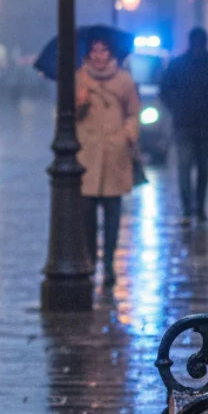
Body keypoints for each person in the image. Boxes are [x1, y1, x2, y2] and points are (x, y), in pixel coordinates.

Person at [75, 36, 141, 287]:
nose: (99, 56)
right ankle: (90, 260)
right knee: (87, 214)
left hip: (115, 154)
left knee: (113, 214)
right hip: (88, 153)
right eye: (94, 50)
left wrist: (126, 135)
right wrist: (79, 102)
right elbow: (67, 115)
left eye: (103, 50)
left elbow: (133, 112)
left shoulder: (123, 79)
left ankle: (109, 263)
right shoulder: (80, 78)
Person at [160, 28, 208, 226]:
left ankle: (192, 208)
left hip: (195, 122)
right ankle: (193, 207)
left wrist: (177, 107)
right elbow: (165, 90)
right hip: (193, 123)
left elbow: (165, 90)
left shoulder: (183, 65)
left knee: (195, 167)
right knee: (194, 167)